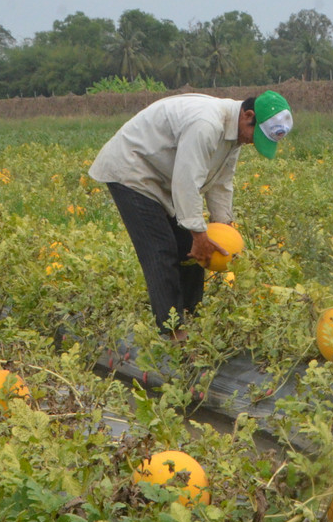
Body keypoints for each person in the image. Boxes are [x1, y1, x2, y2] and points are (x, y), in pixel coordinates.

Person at [89, 90, 293, 338]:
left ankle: (193, 316)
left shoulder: (235, 135)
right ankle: (173, 332)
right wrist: (199, 234)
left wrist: (224, 226)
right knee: (161, 250)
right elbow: (187, 182)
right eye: (256, 136)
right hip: (132, 171)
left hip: (164, 177)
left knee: (191, 248)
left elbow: (221, 183)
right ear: (248, 115)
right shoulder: (206, 124)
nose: (252, 142)